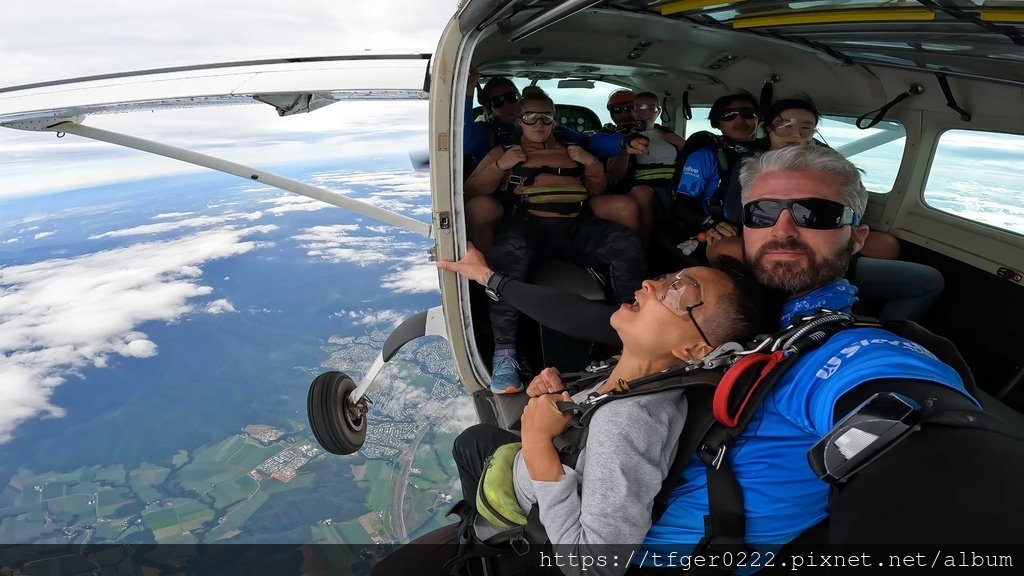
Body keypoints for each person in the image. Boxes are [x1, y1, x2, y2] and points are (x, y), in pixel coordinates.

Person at [633, 141, 1021, 565]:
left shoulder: (853, 351)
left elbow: (942, 454)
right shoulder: (739, 311)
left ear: (857, 238)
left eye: (815, 214)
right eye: (762, 213)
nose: (782, 230)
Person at [372, 251, 783, 576]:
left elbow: (595, 564)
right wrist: (561, 403)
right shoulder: (635, 375)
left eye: (679, 291)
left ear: (694, 351)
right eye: (667, 277)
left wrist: (537, 446)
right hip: (537, 473)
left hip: (536, 524)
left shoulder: (627, 422)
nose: (650, 284)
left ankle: (484, 541)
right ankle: (477, 526)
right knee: (472, 441)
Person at [465, 88, 645, 394]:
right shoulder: (504, 150)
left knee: (624, 243)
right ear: (519, 120)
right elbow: (470, 191)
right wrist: (501, 166)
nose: (539, 123)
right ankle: (504, 352)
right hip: (528, 226)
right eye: (530, 117)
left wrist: (590, 164)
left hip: (575, 226)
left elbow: (598, 192)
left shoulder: (571, 147)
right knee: (506, 257)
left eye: (545, 116)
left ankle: (632, 332)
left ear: (554, 118)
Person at [707, 98, 945, 321]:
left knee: (897, 253)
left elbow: (855, 213)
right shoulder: (750, 166)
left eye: (805, 127)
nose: (795, 133)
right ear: (769, 128)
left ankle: (883, 328)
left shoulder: (829, 166)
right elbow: (736, 214)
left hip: (834, 252)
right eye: (785, 125)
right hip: (763, 251)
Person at [673, 92, 766, 243]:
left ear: (758, 118)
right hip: (723, 230)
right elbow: (684, 203)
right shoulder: (706, 154)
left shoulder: (771, 152)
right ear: (717, 122)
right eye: (729, 115)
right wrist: (711, 224)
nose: (739, 119)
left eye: (748, 114)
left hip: (765, 222)